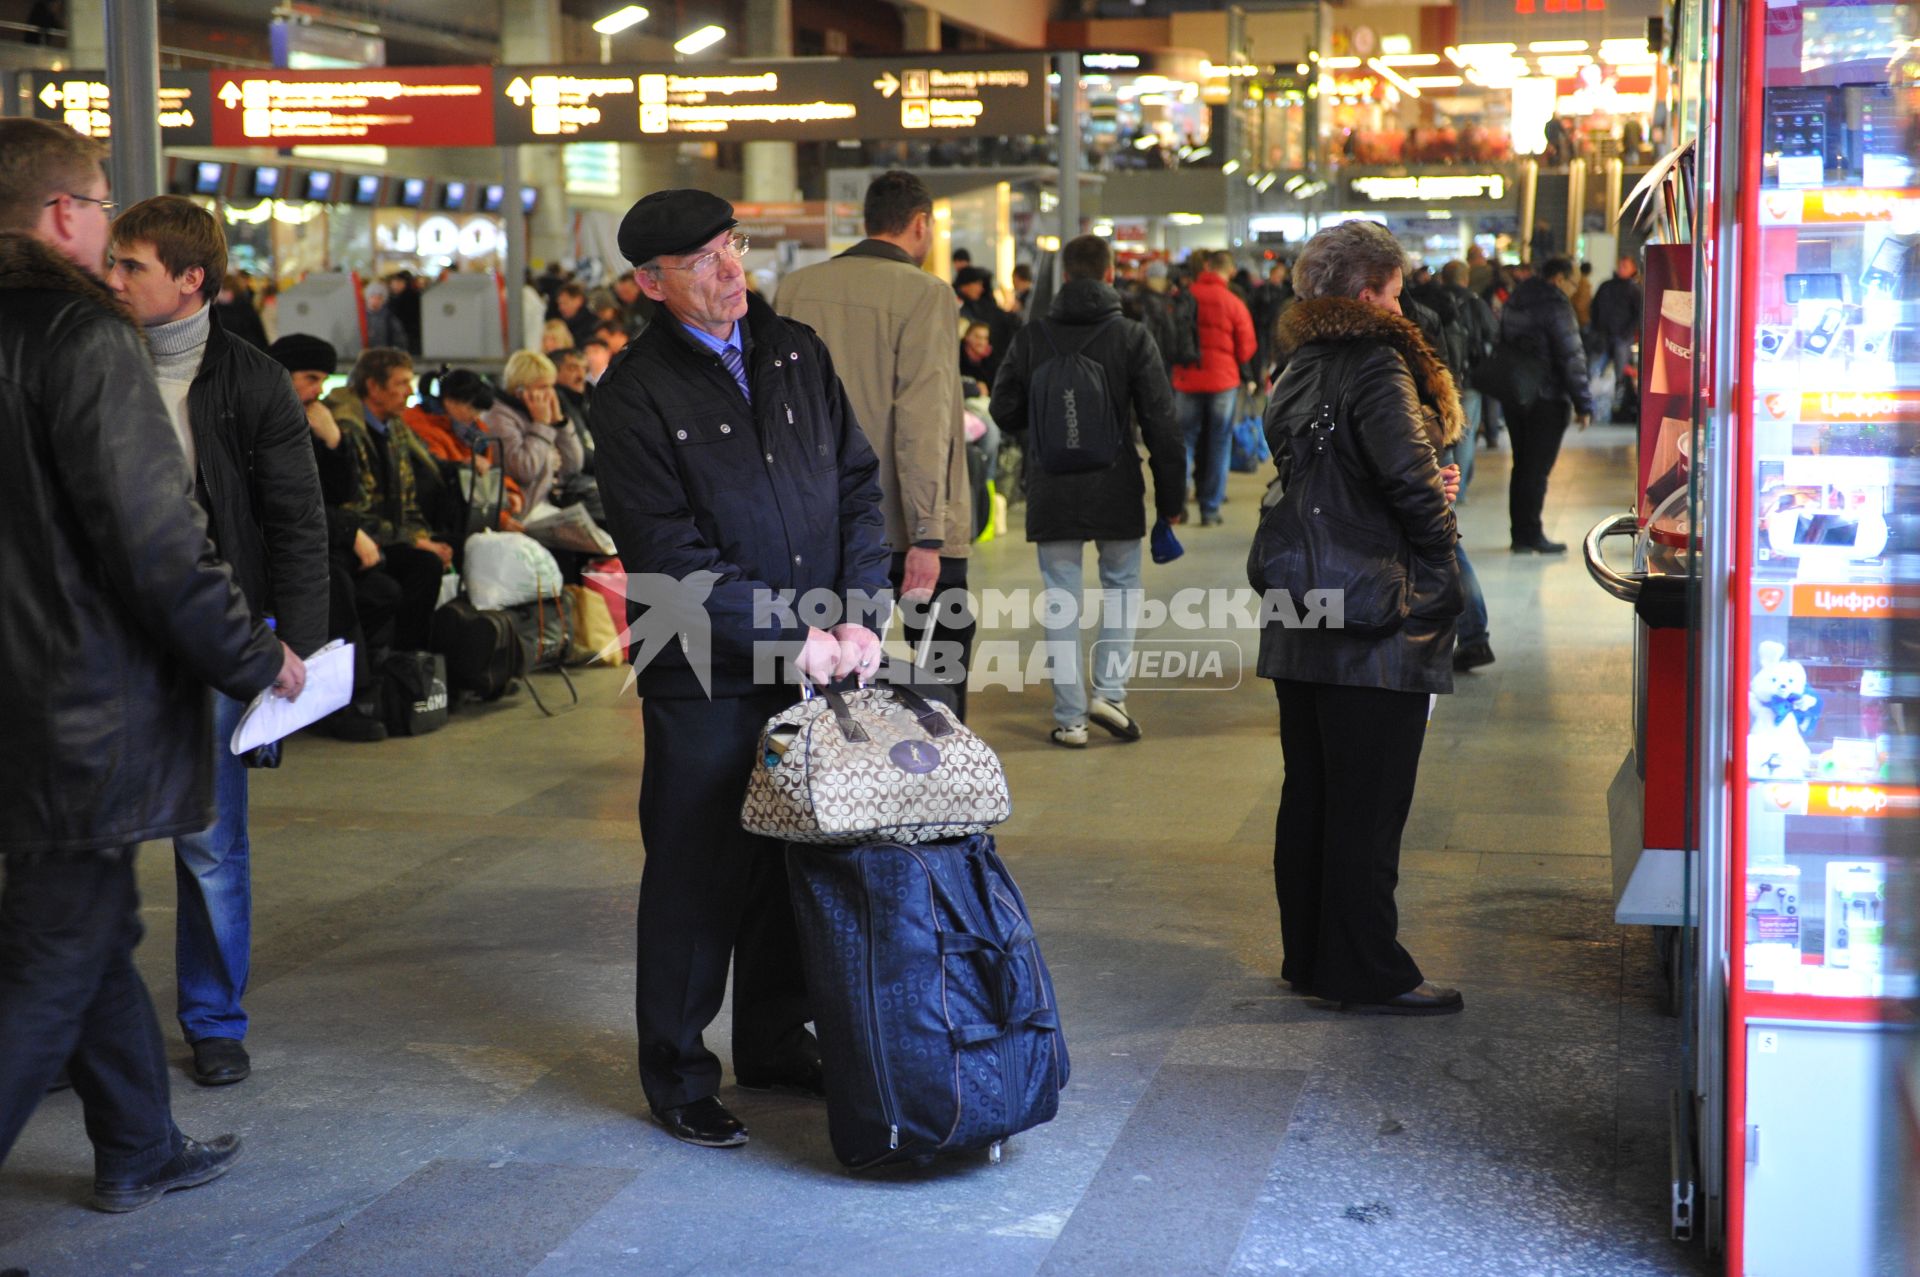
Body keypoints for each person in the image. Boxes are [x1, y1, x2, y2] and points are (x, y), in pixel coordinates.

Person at [0, 117, 306, 1210]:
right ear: (65, 215)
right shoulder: (83, 341)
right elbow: (157, 539)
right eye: (100, 210)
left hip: (19, 706)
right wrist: (254, 653)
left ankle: (137, 1140)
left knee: (83, 929)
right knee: (48, 961)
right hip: (75, 709)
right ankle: (138, 1142)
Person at [591, 188, 890, 1149]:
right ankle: (678, 1071)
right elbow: (665, 551)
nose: (732, 271)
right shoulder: (633, 389)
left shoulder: (796, 349)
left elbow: (855, 484)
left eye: (735, 247)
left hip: (817, 654)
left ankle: (772, 1036)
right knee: (699, 864)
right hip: (703, 663)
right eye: (706, 260)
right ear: (650, 281)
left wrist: (859, 610)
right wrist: (785, 632)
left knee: (792, 855)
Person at [106, 197, 329, 1087]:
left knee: (209, 843)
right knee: (87, 845)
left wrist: (298, 657)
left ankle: (212, 1017)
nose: (112, 278)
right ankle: (76, 1020)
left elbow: (295, 523)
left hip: (209, 634)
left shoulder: (250, 380)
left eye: (132, 266)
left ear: (190, 278)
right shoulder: (95, 361)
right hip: (103, 639)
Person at [1255, 217, 1464, 1016]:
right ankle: (1369, 968)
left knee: (1310, 790)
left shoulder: (1298, 363)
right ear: (1370, 291)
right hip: (1373, 611)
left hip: (1299, 599)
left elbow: (1326, 475)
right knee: (1369, 803)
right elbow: (1410, 484)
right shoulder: (1379, 363)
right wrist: (1441, 550)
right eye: (1398, 293)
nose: (1404, 308)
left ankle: (1309, 954)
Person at [775, 170, 977, 716]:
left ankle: (836, 781)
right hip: (901, 524)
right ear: (921, 224)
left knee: (830, 668)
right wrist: (929, 535)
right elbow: (923, 418)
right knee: (939, 661)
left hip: (813, 522)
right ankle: (925, 777)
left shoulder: (796, 288)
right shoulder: (927, 294)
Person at [989, 233, 1187, 747]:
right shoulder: (1132, 336)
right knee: (1121, 586)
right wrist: (1171, 500)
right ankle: (1111, 694)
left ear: (1065, 276)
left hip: (1051, 486)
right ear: (1111, 274)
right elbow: (1162, 422)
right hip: (1116, 484)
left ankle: (1071, 719)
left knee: (1061, 598)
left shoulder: (1032, 337)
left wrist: (1046, 425)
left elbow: (1003, 409)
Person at [269, 334, 396, 740]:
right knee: (334, 586)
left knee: (390, 585)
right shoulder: (261, 420)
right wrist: (348, 532)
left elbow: (341, 494)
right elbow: (280, 499)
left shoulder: (311, 418)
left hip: (315, 537)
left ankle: (388, 687)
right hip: (275, 543)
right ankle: (339, 701)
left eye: (323, 379)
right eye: (309, 378)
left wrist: (335, 442)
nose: (318, 390)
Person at [324, 348, 450, 648]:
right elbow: (356, 507)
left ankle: (418, 665)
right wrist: (413, 540)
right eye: (401, 383)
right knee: (424, 566)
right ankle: (405, 662)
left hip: (386, 536)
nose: (409, 392)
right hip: (355, 541)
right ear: (374, 387)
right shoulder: (347, 428)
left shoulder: (393, 426)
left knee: (449, 548)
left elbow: (407, 498)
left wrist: (419, 535)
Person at [1496, 256, 1594, 554]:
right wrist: (1583, 403)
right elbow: (1570, 355)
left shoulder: (1517, 296)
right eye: (1573, 282)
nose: (1574, 288)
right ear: (1559, 278)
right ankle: (1532, 533)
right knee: (1536, 469)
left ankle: (1520, 534)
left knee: (1522, 464)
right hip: (1547, 398)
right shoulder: (1556, 304)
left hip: (1516, 393)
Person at [1171, 249, 1256, 527]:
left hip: (1187, 377)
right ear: (1230, 272)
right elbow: (1246, 348)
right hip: (1223, 381)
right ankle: (1209, 509)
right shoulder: (1233, 302)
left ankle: (1178, 500)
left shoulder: (1184, 297)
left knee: (1184, 441)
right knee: (1219, 444)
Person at [492, 349, 589, 514]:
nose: (551, 394)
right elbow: (524, 470)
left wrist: (559, 422)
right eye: (543, 387)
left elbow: (573, 466)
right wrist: (541, 425)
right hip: (524, 512)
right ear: (520, 390)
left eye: (552, 386)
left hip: (550, 505)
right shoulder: (500, 418)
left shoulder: (539, 413)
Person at [1588, 256, 1642, 420]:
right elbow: (1594, 307)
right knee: (1594, 371)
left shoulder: (1634, 290)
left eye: (1625, 266)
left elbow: (1638, 314)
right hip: (1604, 336)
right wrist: (1597, 329)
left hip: (1622, 338)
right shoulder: (1607, 286)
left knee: (1620, 374)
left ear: (1633, 269)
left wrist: (1628, 332)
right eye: (1621, 265)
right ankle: (1593, 406)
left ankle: (1617, 407)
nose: (1621, 268)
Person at [361, 279, 407, 350]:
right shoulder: (361, 318)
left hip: (384, 355)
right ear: (367, 298)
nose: (375, 300)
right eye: (372, 297)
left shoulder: (389, 318)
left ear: (383, 300)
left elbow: (399, 337)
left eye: (379, 298)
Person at [553, 281, 597, 349]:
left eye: (565, 303)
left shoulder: (593, 324)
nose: (561, 308)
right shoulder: (561, 322)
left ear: (578, 300)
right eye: (559, 304)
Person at [959, 320, 997, 391]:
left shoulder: (991, 361)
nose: (981, 342)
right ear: (967, 337)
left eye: (985, 338)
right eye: (977, 337)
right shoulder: (956, 356)